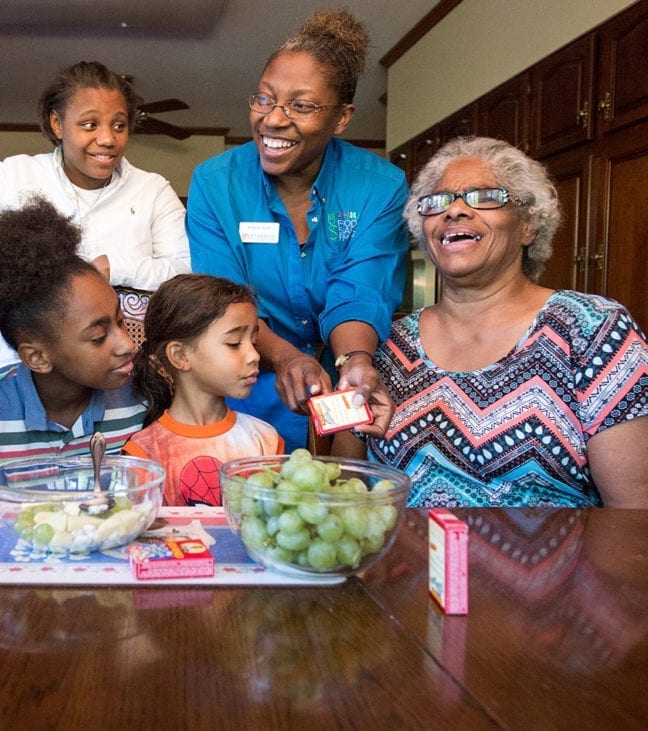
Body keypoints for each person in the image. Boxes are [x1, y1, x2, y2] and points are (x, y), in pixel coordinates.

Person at [366, 136, 648, 507]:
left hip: (555, 564)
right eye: (438, 202)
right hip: (408, 564)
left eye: (484, 196)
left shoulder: (594, 330)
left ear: (528, 225)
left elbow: (633, 513)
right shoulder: (389, 342)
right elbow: (349, 483)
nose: (455, 211)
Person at [185, 8, 407, 451]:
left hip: (348, 378)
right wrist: (286, 356)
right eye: (264, 99)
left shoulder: (378, 186)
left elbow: (359, 288)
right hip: (251, 378)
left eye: (301, 106)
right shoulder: (215, 183)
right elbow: (223, 298)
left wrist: (354, 360)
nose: (272, 119)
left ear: (341, 118)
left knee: (345, 497)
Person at [0, 60, 191, 366]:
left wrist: (115, 268)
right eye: (90, 124)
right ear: (57, 123)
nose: (108, 139)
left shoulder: (153, 190)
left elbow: (187, 270)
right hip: (26, 375)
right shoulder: (17, 176)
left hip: (126, 375)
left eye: (119, 125)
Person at [0, 198, 146, 504]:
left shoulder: (139, 401)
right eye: (98, 336)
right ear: (37, 357)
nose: (127, 344)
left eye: (120, 321)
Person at [123, 274, 284, 506]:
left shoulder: (265, 440)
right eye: (234, 343)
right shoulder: (144, 455)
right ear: (180, 355)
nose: (254, 355)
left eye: (254, 342)